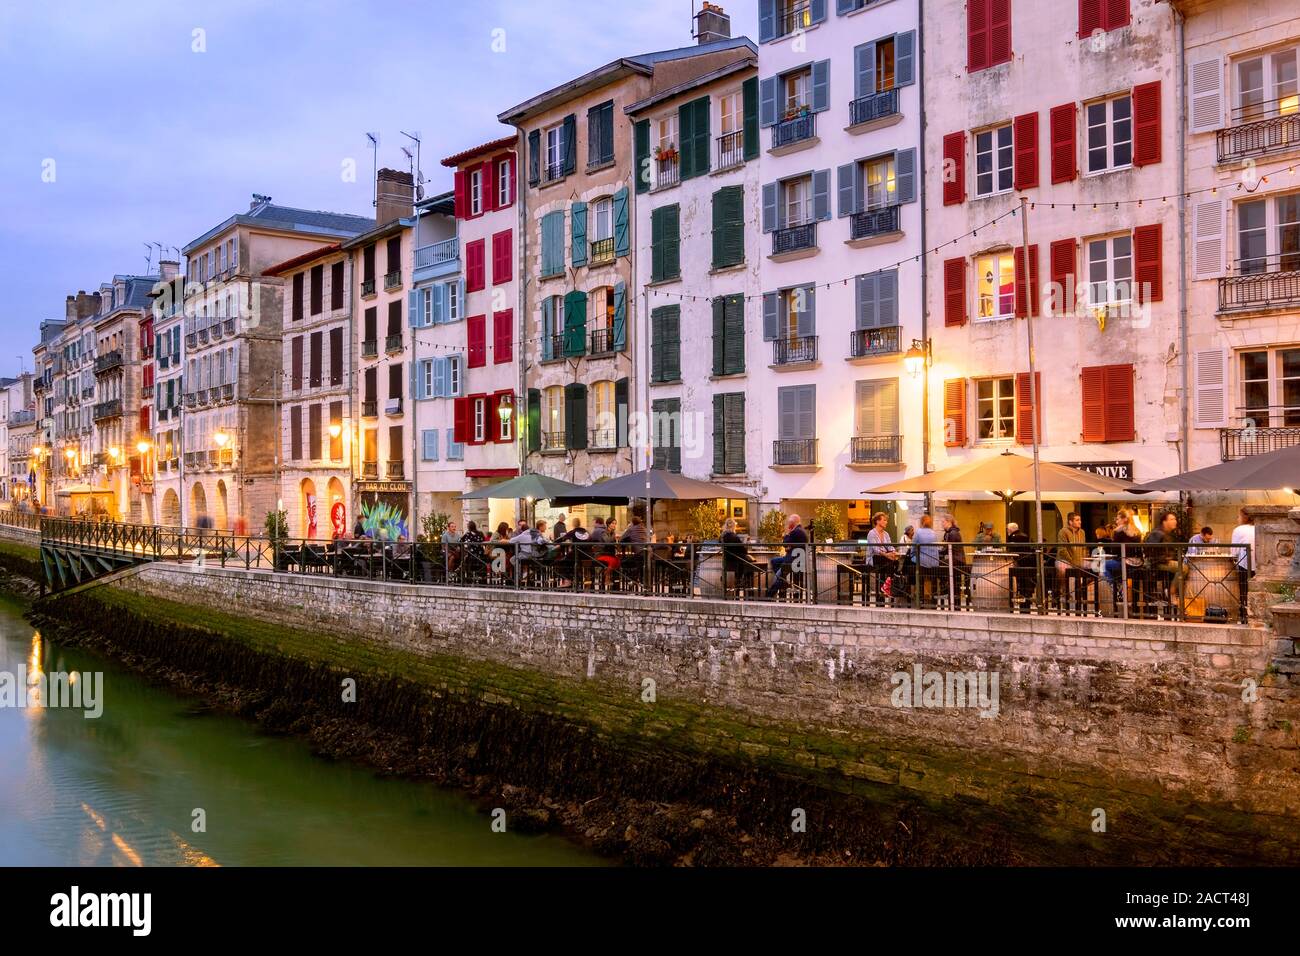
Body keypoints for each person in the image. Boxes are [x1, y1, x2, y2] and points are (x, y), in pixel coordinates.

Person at [765, 513, 808, 598]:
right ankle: (784, 582)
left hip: (793, 561)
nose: (788, 524)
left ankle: (769, 595)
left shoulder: (796, 531)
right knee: (774, 561)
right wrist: (789, 547)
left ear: (793, 523)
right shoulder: (800, 530)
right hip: (794, 559)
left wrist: (787, 533)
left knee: (779, 577)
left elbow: (785, 543)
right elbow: (789, 545)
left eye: (789, 522)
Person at [1055, 512, 1088, 612]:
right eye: (1077, 520)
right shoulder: (1063, 532)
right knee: (1064, 571)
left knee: (1096, 569)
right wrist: (1072, 562)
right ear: (1070, 522)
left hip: (1078, 561)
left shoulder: (1082, 532)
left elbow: (1083, 548)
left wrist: (1084, 558)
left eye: (1080, 520)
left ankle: (1082, 596)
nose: (1080, 522)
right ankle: (1065, 596)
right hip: (1064, 560)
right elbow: (1062, 550)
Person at [866, 511, 900, 601]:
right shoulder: (871, 533)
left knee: (896, 562)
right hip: (874, 558)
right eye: (884, 520)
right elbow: (875, 549)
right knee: (890, 562)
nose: (886, 522)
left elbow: (889, 545)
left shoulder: (886, 534)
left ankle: (886, 586)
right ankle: (886, 587)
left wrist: (893, 552)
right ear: (877, 521)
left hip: (884, 558)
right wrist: (887, 555)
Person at [721, 517, 758, 596]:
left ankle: (738, 586)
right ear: (733, 526)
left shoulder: (723, 536)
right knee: (751, 565)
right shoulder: (734, 536)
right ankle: (748, 591)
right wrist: (745, 543)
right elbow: (743, 550)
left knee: (747, 562)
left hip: (727, 560)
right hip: (737, 560)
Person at [912, 514, 941, 605]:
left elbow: (914, 547)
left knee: (919, 579)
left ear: (921, 522)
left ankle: (919, 600)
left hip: (922, 561)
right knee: (933, 581)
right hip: (934, 562)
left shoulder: (918, 532)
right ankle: (934, 600)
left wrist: (912, 555)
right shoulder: (933, 532)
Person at [1006, 522, 1035, 611]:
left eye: (1007, 529)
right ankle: (1026, 603)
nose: (1007, 531)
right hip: (1028, 563)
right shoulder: (1024, 535)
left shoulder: (1013, 537)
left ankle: (1022, 603)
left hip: (1020, 563)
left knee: (1021, 584)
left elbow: (1012, 550)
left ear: (1010, 529)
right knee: (1026, 584)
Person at [1231, 509, 1255, 609]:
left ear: (1244, 517)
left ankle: (1243, 612)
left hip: (1245, 565)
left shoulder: (1238, 529)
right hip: (1259, 566)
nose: (1237, 519)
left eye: (1239, 516)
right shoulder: (1258, 527)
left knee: (1243, 590)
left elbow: (1234, 552)